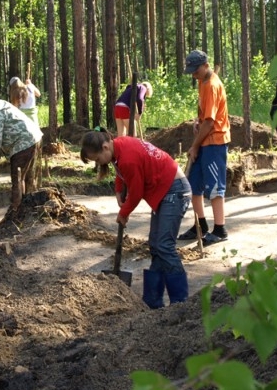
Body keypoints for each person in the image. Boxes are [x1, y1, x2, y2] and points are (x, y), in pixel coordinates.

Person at [80, 130, 191, 308]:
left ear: (105, 147)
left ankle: (181, 303)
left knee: (164, 245)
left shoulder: (128, 158)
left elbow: (136, 191)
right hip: (165, 191)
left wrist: (123, 213)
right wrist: (118, 190)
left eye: (97, 159)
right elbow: (121, 172)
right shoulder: (119, 148)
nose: (98, 163)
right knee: (156, 245)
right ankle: (152, 300)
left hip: (175, 191)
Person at [178, 50, 231, 244]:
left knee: (215, 187)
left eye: (195, 70)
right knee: (193, 184)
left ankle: (220, 229)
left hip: (215, 142)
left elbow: (210, 123)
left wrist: (194, 146)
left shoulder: (212, 86)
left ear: (205, 65)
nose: (193, 74)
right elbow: (203, 115)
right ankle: (200, 225)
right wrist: (196, 121)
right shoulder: (203, 81)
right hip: (204, 140)